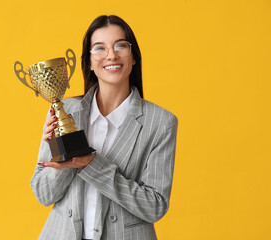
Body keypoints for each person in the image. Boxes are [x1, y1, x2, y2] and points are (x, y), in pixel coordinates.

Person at [31, 15, 178, 240]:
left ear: (134, 57)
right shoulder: (65, 110)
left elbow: (155, 206)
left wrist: (91, 164)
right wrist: (62, 161)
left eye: (120, 45)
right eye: (99, 48)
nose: (111, 55)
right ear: (89, 62)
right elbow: (43, 193)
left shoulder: (161, 122)